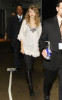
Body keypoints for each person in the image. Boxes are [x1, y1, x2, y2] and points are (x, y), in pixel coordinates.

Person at [39, 0, 62, 100]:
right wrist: (43, 49)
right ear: (57, 9)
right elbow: (42, 40)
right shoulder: (48, 23)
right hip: (51, 59)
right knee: (48, 82)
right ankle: (46, 94)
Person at [17, 5, 42, 96]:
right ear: (28, 13)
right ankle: (31, 88)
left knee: (30, 67)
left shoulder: (38, 23)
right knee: (28, 67)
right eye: (30, 12)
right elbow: (21, 35)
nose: (31, 13)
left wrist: (39, 47)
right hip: (26, 48)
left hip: (34, 48)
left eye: (33, 12)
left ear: (36, 13)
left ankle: (28, 75)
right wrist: (22, 47)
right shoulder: (25, 22)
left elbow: (40, 36)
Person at [7, 5, 24, 70]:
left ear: (22, 10)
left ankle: (26, 64)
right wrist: (8, 37)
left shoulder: (25, 18)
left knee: (23, 53)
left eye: (20, 9)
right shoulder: (12, 18)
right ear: (16, 11)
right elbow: (9, 28)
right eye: (18, 9)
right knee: (16, 53)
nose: (19, 11)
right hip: (15, 39)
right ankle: (17, 66)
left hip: (24, 40)